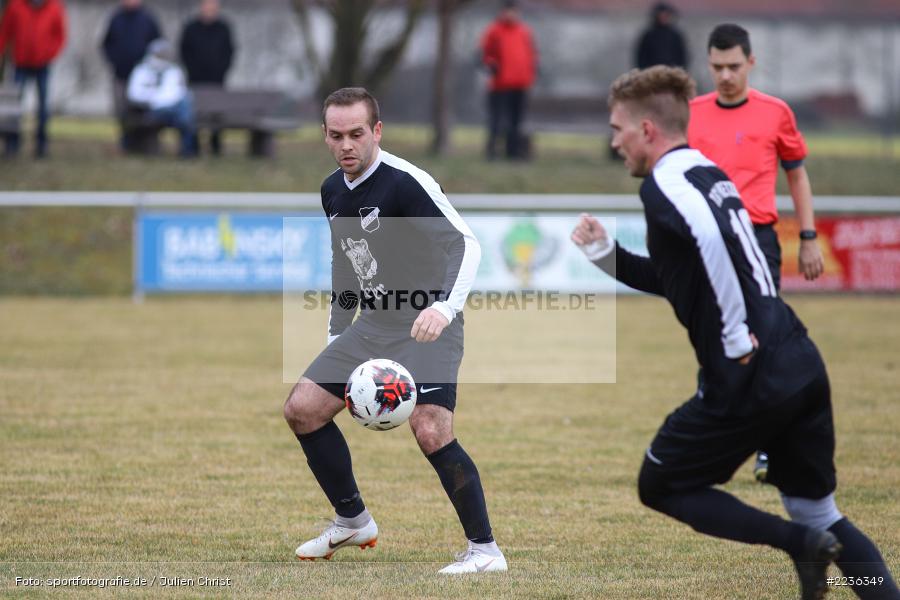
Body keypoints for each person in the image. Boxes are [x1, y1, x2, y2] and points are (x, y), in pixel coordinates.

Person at [571, 65, 899, 600]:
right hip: (797, 357)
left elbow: (712, 246)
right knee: (820, 513)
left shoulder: (665, 186)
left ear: (647, 130)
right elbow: (681, 277)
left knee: (661, 483)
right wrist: (607, 256)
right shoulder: (706, 171)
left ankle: (800, 545)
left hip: (751, 369)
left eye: (617, 129)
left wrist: (734, 342)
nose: (614, 142)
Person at [282, 87, 506, 574]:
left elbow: (465, 244)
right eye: (336, 135)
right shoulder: (332, 190)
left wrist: (445, 308)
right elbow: (345, 265)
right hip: (373, 324)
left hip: (428, 325)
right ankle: (353, 521)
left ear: (377, 131)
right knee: (302, 410)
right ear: (325, 135)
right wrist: (336, 334)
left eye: (357, 133)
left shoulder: (406, 183)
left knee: (430, 428)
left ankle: (485, 551)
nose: (347, 145)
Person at [687, 23, 825, 482]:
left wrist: (808, 236)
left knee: (762, 339)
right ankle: (708, 444)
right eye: (717, 67)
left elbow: (797, 176)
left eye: (733, 66)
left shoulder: (775, 112)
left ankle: (769, 447)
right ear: (709, 65)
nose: (725, 75)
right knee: (712, 339)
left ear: (751, 62)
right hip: (707, 241)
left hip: (758, 239)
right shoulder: (691, 114)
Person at [0, 0, 66, 158]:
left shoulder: (54, 8)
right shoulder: (15, 6)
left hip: (43, 64)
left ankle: (41, 144)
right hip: (20, 63)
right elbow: (5, 31)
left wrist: (49, 54)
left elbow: (60, 36)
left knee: (43, 105)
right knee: (14, 106)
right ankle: (12, 143)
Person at [479, 0, 537, 160]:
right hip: (500, 84)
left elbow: (531, 54)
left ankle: (513, 152)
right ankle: (492, 152)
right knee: (497, 121)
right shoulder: (494, 31)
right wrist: (491, 65)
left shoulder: (524, 31)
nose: (511, 14)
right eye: (508, 11)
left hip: (520, 83)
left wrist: (532, 70)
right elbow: (485, 54)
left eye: (514, 11)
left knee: (516, 121)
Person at [101, 0, 161, 150]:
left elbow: (158, 45)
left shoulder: (148, 19)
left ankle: (143, 143)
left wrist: (149, 66)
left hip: (143, 77)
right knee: (122, 111)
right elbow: (106, 44)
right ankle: (126, 142)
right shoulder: (116, 19)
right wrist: (114, 60)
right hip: (121, 74)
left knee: (142, 111)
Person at [178, 0, 234, 155]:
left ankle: (216, 144)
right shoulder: (191, 28)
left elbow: (229, 52)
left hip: (217, 79)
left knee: (217, 113)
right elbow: (184, 52)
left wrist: (221, 70)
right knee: (194, 112)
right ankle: (194, 145)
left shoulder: (223, 28)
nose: (209, 8)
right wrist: (192, 70)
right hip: (196, 79)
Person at [126, 39, 197, 157]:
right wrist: (154, 97)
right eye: (161, 54)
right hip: (151, 110)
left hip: (173, 109)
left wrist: (164, 98)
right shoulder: (142, 70)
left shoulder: (174, 71)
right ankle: (189, 149)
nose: (163, 56)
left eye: (165, 54)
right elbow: (134, 94)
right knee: (184, 113)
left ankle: (188, 150)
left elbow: (177, 92)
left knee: (184, 105)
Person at [634, 2, 688, 70]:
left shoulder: (675, 35)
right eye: (661, 15)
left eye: (666, 15)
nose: (663, 17)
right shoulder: (648, 35)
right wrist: (644, 70)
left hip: (671, 72)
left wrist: (679, 69)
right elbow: (641, 56)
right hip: (651, 73)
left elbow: (682, 56)